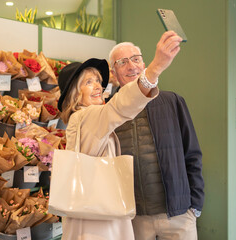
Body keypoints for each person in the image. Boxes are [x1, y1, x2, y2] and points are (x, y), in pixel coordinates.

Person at [57, 31, 182, 240]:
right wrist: (155, 68)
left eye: (98, 81)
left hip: (92, 215)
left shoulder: (80, 120)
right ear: (75, 94)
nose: (98, 86)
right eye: (88, 82)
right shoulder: (86, 117)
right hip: (97, 224)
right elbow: (120, 106)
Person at [108, 33, 204, 240]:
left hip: (178, 214)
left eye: (135, 59)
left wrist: (195, 205)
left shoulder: (172, 101)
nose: (131, 66)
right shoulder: (108, 111)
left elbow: (192, 153)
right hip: (134, 218)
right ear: (113, 72)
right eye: (122, 62)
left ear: (144, 64)